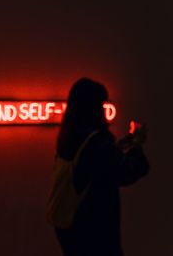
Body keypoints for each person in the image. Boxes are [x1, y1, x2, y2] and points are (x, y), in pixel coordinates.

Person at [47, 78, 150, 256]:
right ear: (93, 107)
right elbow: (130, 170)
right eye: (101, 104)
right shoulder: (96, 143)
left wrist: (116, 148)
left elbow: (92, 166)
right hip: (96, 230)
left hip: (73, 228)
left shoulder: (70, 138)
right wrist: (137, 145)